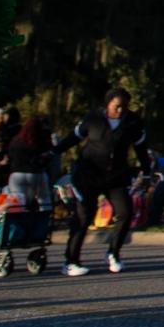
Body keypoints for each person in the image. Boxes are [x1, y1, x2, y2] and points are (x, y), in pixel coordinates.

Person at [54, 87, 152, 276]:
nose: (120, 110)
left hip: (115, 177)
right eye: (117, 106)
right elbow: (73, 138)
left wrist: (146, 173)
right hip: (88, 175)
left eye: (124, 106)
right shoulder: (93, 119)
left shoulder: (133, 123)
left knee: (125, 213)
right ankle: (71, 260)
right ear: (108, 104)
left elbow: (141, 149)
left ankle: (113, 253)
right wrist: (53, 152)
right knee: (84, 216)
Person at [7, 116, 53, 211]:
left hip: (17, 173)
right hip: (37, 173)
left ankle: (20, 222)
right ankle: (45, 219)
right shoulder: (41, 140)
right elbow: (48, 156)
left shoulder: (16, 140)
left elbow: (10, 156)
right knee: (44, 198)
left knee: (19, 202)